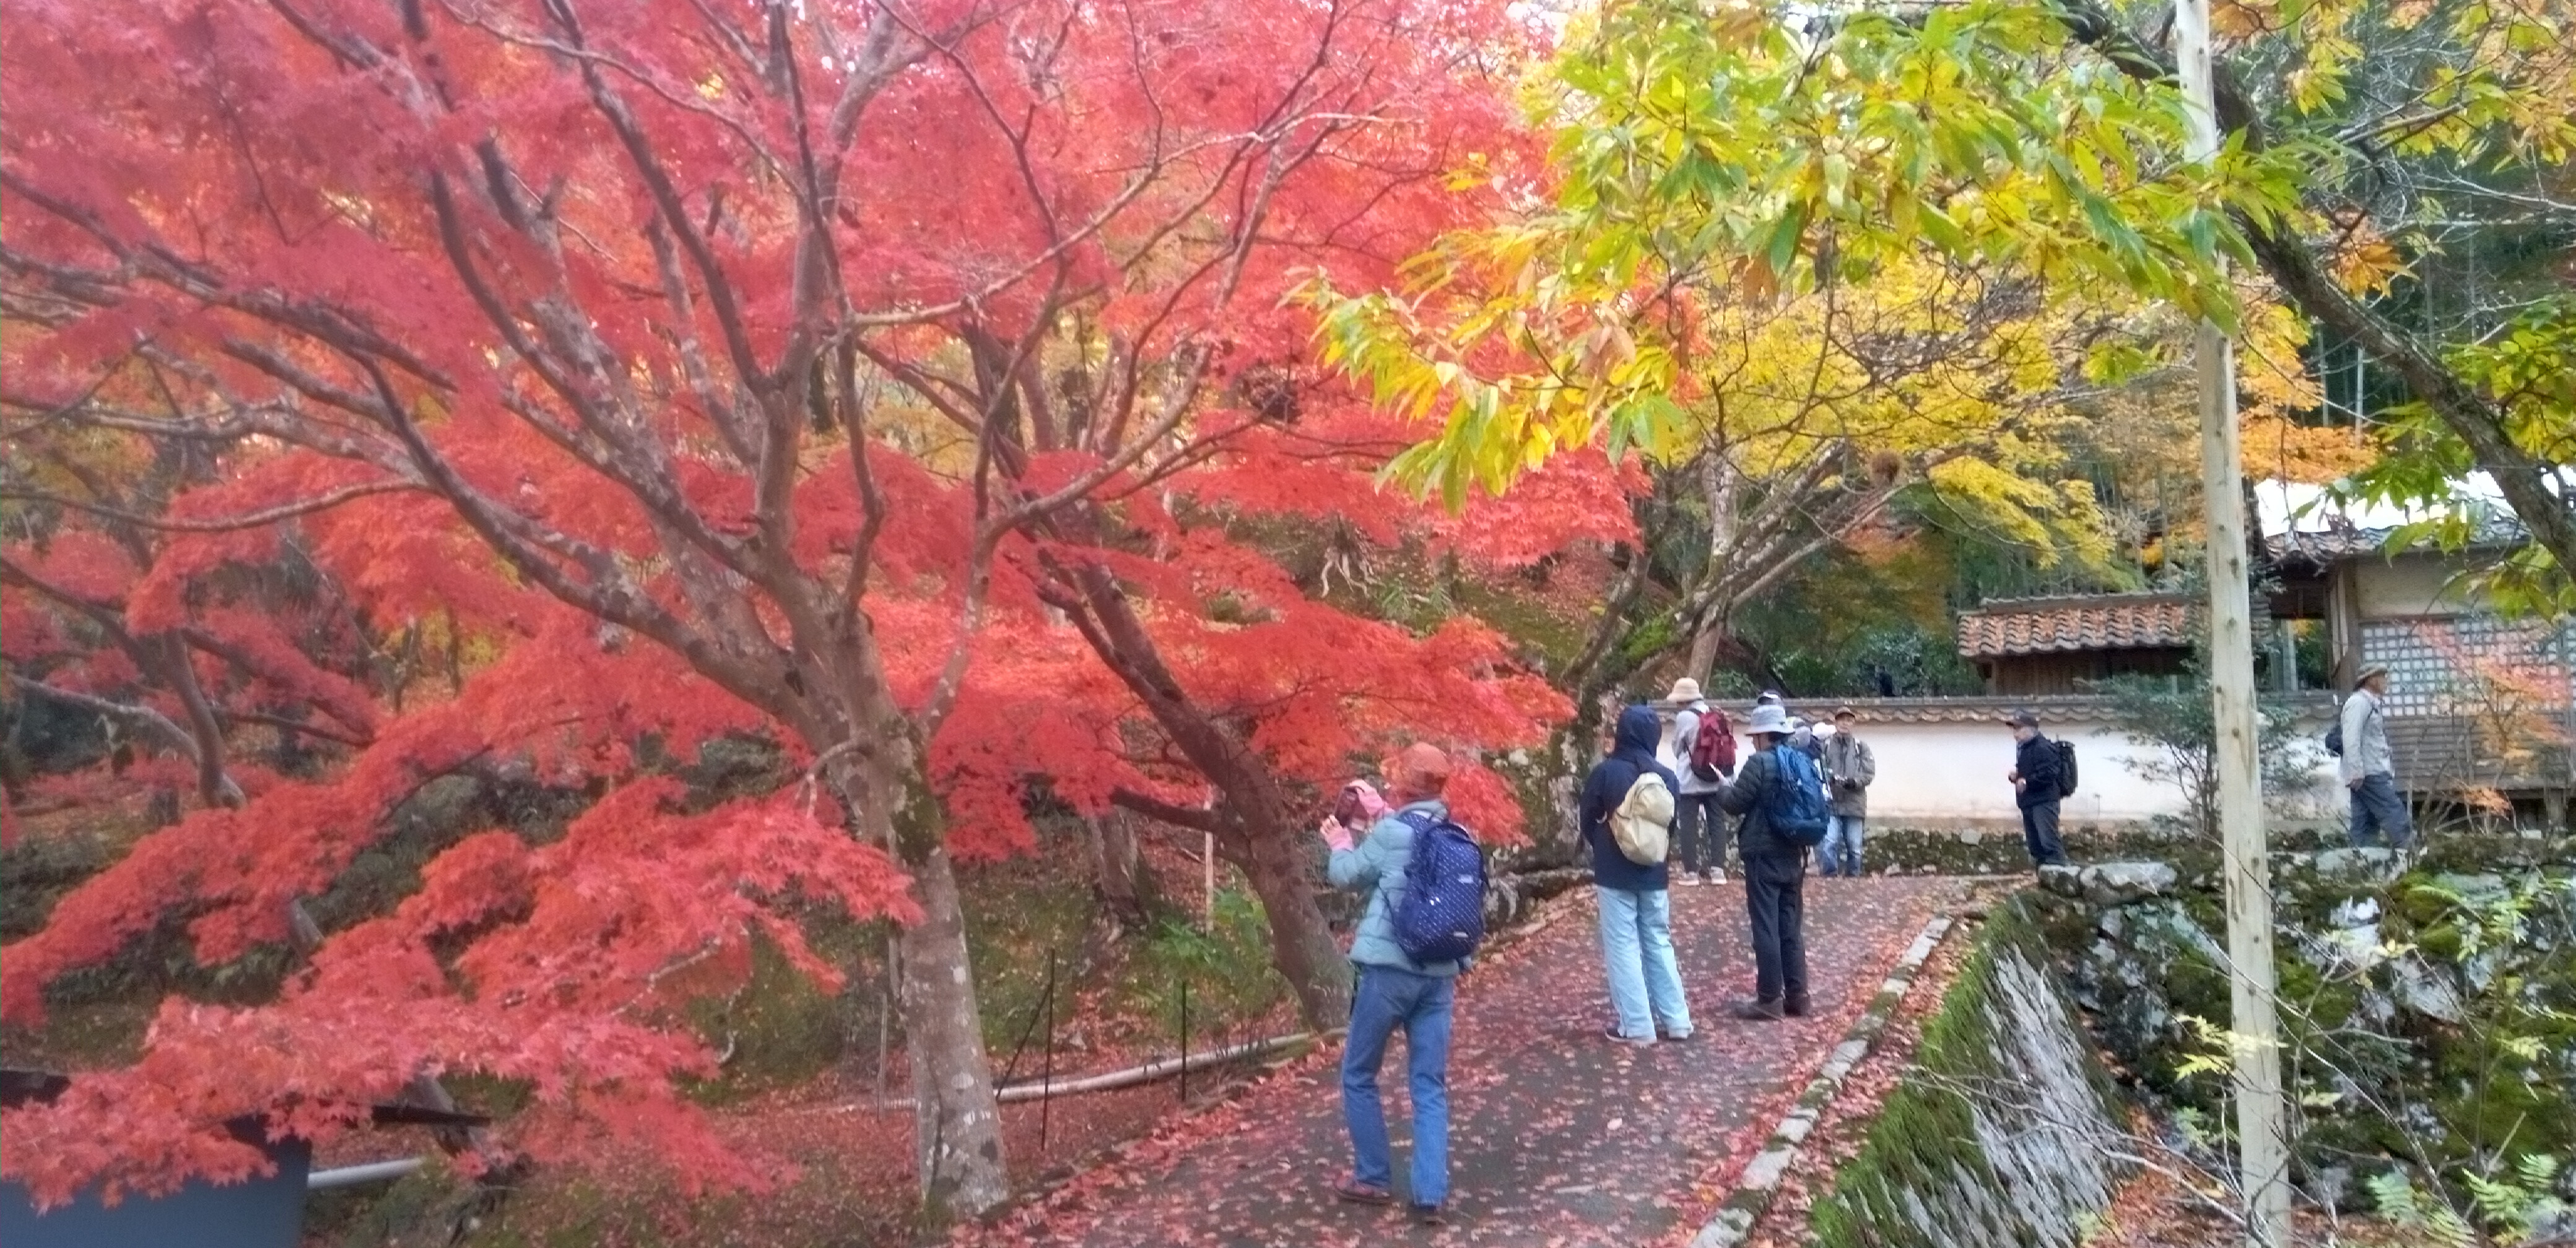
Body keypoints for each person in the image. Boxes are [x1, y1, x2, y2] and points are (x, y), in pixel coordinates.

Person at [1325, 743, 1465, 1226]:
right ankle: (1430, 1194)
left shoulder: (1388, 833)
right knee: (1429, 1084)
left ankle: (1373, 1177)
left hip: (1388, 971)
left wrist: (1340, 842)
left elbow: (1347, 876)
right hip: (1440, 975)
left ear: (1403, 786)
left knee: (1359, 1072)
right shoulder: (1457, 832)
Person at [1577, 704, 1697, 1045]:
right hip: (1654, 873)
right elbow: (1671, 826)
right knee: (1659, 941)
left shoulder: (1606, 773)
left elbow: (1588, 817)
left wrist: (1602, 844)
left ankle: (1638, 1026)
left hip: (1614, 872)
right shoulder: (1667, 777)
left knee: (1623, 945)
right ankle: (1677, 1020)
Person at [1717, 704, 1811, 1019]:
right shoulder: (1799, 760)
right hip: (1794, 851)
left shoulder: (1758, 764)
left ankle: (1770, 998)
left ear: (1760, 736)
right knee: (1790, 925)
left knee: (1765, 926)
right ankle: (1798, 995)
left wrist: (1723, 787)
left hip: (1763, 853)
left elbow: (1734, 804)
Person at [2339, 665, 2416, 849]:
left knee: (2365, 819)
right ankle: (2412, 853)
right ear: (2371, 680)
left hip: (2369, 769)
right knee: (2393, 811)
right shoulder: (2358, 703)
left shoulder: (2369, 703)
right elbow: (2351, 738)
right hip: (2369, 771)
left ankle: (2361, 859)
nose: (2386, 682)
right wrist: (2356, 770)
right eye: (2383, 677)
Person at [1665, 677, 1730, 885]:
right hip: (1714, 776)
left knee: (1689, 825)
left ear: (1682, 699)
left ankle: (1691, 873)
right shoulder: (1713, 713)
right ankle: (1718, 871)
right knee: (1717, 823)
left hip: (1690, 778)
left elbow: (1677, 748)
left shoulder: (1684, 716)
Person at [1817, 707, 1876, 878]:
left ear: (1853, 723)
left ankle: (1854, 880)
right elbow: (1817, 768)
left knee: (1855, 847)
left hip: (1854, 802)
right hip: (1831, 802)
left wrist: (1854, 782)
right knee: (1829, 843)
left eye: (1849, 720)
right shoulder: (1825, 745)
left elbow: (1869, 773)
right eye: (1841, 719)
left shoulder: (1861, 747)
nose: (1845, 723)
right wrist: (1828, 779)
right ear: (1836, 722)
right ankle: (1830, 878)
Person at [2007, 709, 2069, 869]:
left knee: (2049, 843)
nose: (2015, 734)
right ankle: (2044, 878)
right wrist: (2018, 776)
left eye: (2018, 729)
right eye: (2014, 729)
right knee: (2035, 846)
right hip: (2029, 802)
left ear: (2031, 729)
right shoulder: (2025, 748)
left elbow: (2049, 774)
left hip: (2044, 802)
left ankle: (2060, 878)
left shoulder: (2043, 747)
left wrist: (2027, 782)